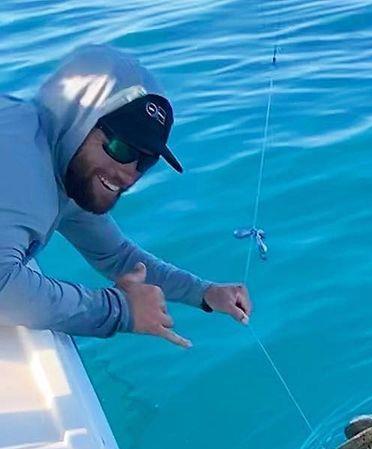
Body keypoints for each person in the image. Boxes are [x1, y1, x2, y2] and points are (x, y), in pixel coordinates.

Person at [0, 44, 250, 348]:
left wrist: (205, 292)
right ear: (77, 121)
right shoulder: (18, 161)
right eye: (121, 148)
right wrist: (118, 310)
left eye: (145, 160)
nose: (129, 174)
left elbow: (116, 256)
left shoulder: (62, 164)